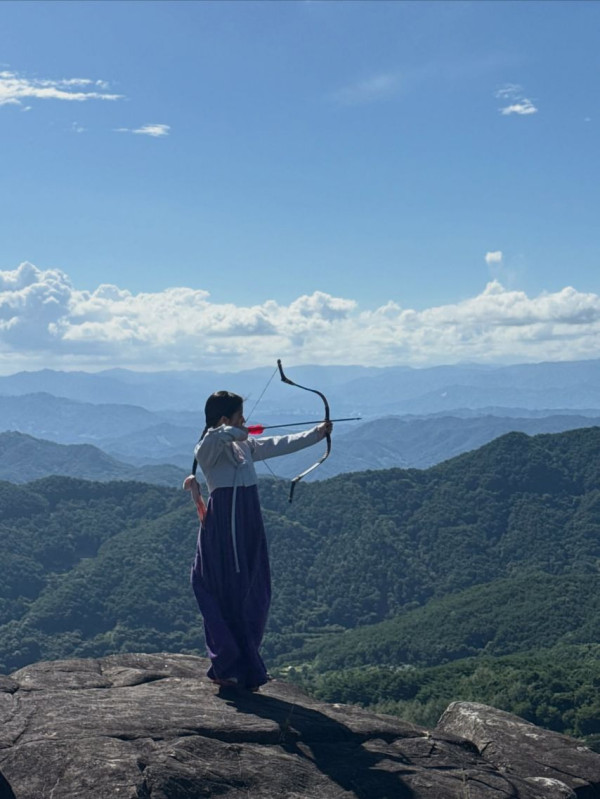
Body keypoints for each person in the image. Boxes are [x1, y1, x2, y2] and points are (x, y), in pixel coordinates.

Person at [190, 390, 332, 691]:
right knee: (227, 591)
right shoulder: (208, 448)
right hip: (224, 530)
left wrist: (318, 434)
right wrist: (235, 429)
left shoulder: (244, 448)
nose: (246, 423)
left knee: (254, 592)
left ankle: (246, 664)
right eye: (241, 417)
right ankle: (226, 665)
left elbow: (279, 443)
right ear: (226, 419)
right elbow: (214, 438)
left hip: (248, 524)